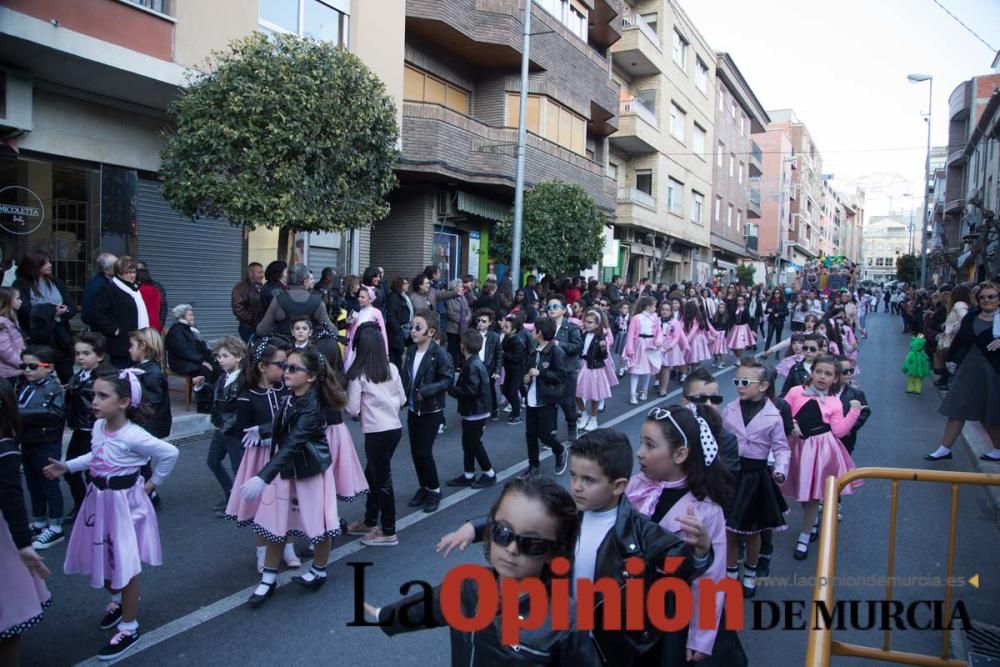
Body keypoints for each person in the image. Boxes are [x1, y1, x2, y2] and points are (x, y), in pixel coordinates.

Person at [436, 430, 713, 666]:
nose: (577, 487)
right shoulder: (566, 512)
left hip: (606, 646)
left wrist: (700, 551)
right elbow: (523, 523)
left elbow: (679, 566)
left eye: (588, 480)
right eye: (574, 476)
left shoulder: (641, 533)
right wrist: (473, 528)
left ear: (618, 486)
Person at [365, 476, 602, 666]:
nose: (511, 549)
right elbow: (425, 607)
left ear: (554, 551)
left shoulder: (566, 621)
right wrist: (383, 615)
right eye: (503, 533)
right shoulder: (468, 586)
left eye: (532, 544)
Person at [42, 370, 179, 660]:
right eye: (94, 394)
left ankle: (130, 627)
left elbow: (169, 453)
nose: (94, 401)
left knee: (124, 566)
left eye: (103, 396)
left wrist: (153, 484)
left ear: (124, 402)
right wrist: (67, 467)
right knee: (100, 558)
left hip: (124, 506)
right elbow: (96, 456)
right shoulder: (99, 427)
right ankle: (118, 600)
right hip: (98, 500)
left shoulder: (134, 435)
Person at [626, 405, 744, 666]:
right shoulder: (635, 487)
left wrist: (700, 637)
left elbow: (710, 579)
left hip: (670, 609)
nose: (640, 453)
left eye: (649, 445)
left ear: (680, 454)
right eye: (641, 443)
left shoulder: (705, 511)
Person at [238, 347, 347, 606]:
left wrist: (263, 477)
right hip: (287, 471)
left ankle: (319, 570)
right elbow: (285, 425)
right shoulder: (290, 395)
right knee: (276, 524)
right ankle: (268, 578)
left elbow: (294, 442)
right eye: (286, 366)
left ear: (310, 377)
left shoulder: (313, 406)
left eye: (293, 368)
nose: (286, 371)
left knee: (319, 525)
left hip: (309, 470)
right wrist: (264, 430)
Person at [223, 340, 300, 572]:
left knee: (288, 502)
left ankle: (288, 547)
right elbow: (241, 432)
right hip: (259, 457)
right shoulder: (247, 396)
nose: (286, 369)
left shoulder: (285, 390)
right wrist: (259, 437)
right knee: (262, 506)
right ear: (262, 367)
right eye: (281, 364)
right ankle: (262, 552)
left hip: (284, 453)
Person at [780, 356, 863, 560]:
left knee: (813, 495)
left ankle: (805, 535)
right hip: (798, 447)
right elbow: (783, 412)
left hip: (821, 450)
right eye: (819, 372)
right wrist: (792, 424)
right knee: (803, 491)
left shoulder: (834, 402)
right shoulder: (796, 391)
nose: (822, 377)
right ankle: (812, 520)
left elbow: (840, 431)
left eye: (828, 374)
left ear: (835, 378)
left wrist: (854, 411)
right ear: (812, 372)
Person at [722, 359, 790, 598]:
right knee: (729, 530)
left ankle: (750, 572)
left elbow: (782, 447)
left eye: (745, 382)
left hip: (756, 477)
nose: (739, 386)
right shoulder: (729, 409)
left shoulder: (774, 414)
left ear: (762, 386)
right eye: (737, 381)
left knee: (752, 531)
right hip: (731, 475)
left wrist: (780, 469)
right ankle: (730, 575)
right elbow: (720, 441)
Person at [0, 376, 52, 666]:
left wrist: (23, 544)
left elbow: (12, 500)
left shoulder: (5, 449)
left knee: (7, 619)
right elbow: (12, 501)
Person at [345, 322, 407, 547]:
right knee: (373, 475)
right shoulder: (392, 368)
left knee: (381, 480)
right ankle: (370, 520)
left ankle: (388, 530)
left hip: (375, 431)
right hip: (394, 428)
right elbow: (402, 400)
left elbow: (352, 409)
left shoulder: (358, 374)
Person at [926, 281, 1000, 462]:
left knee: (989, 412)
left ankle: (998, 449)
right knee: (957, 407)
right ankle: (944, 448)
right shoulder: (971, 316)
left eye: (991, 297)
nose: (987, 300)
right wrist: (951, 359)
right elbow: (960, 340)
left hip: (994, 370)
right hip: (969, 367)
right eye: (982, 297)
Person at [400, 310, 453, 513]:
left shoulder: (439, 354)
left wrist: (427, 390)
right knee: (415, 452)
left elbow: (448, 379)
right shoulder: (412, 351)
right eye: (412, 326)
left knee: (424, 451)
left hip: (431, 410)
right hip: (415, 408)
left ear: (430, 332)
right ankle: (424, 486)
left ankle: (435, 490)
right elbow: (408, 378)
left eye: (418, 327)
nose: (413, 330)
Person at [15, 346, 67, 552]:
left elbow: (55, 414)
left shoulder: (53, 388)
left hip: (47, 442)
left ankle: (55, 525)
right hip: (28, 441)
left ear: (49, 367)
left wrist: (20, 413)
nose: (27, 370)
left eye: (33, 366)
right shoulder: (24, 386)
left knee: (49, 482)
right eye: (23, 366)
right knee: (33, 482)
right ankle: (39, 521)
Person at [196, 336, 246, 517]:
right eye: (218, 356)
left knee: (238, 468)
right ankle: (230, 494)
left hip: (233, 432)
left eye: (225, 356)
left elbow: (241, 410)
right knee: (213, 461)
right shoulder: (223, 377)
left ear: (239, 357)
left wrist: (227, 427)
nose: (220, 360)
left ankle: (240, 505)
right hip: (221, 429)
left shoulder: (243, 381)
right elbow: (217, 398)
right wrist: (202, 387)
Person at [64, 332, 112, 518]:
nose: (80, 358)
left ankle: (98, 508)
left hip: (97, 430)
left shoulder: (105, 378)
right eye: (77, 354)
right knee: (70, 470)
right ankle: (82, 504)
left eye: (86, 353)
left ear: (99, 356)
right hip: (80, 430)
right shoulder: (77, 377)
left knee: (94, 472)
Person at [13, 251, 77, 381]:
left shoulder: (56, 282)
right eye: (45, 263)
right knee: (36, 375)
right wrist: (51, 312)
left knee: (67, 376)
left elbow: (71, 306)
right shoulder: (21, 284)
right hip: (38, 339)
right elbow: (25, 311)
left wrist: (61, 314)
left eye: (49, 262)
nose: (50, 265)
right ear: (34, 265)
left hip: (60, 337)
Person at [445, 330, 497, 488]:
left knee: (474, 443)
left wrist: (451, 389)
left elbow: (470, 391)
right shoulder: (473, 362)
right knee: (468, 443)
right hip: (475, 410)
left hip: (476, 411)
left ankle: (489, 473)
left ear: (463, 346)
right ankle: (469, 474)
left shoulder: (471, 365)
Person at [523, 317, 569, 477]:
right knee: (530, 435)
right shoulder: (535, 349)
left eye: (534, 329)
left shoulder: (556, 351)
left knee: (545, 435)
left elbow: (562, 375)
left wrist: (541, 373)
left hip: (547, 399)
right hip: (532, 398)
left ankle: (560, 450)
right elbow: (529, 370)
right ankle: (533, 467)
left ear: (540, 332)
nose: (531, 332)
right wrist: (526, 378)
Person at [88, 256, 149, 369]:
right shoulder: (110, 289)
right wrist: (114, 329)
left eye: (133, 272)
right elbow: (96, 313)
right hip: (120, 343)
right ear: (119, 273)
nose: (132, 275)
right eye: (127, 272)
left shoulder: (134, 289)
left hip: (136, 340)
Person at [256, 264, 333, 339]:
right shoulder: (317, 301)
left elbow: (262, 330)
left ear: (287, 281)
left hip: (283, 347)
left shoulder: (278, 300)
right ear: (305, 282)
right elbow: (332, 330)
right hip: (310, 347)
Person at [164, 304, 218, 398]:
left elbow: (201, 346)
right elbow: (183, 351)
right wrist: (202, 361)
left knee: (216, 366)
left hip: (192, 359)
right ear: (182, 317)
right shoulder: (176, 331)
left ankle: (217, 396)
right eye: (190, 315)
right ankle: (204, 400)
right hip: (180, 362)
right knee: (205, 370)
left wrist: (213, 356)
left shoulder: (191, 329)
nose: (193, 317)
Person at [575, 309, 611, 432]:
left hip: (594, 367)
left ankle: (593, 418)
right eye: (585, 321)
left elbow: (604, 356)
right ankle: (584, 414)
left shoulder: (600, 338)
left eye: (590, 322)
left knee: (594, 394)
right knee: (576, 392)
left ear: (597, 324)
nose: (586, 324)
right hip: (582, 365)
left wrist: (603, 349)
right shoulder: (582, 335)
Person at [621, 297, 662, 405]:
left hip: (650, 344)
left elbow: (659, 332)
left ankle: (644, 390)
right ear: (648, 307)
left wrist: (658, 340)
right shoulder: (636, 318)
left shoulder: (655, 317)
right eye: (654, 306)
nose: (655, 308)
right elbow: (630, 334)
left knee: (647, 369)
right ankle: (633, 393)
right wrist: (630, 348)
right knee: (636, 369)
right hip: (639, 344)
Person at [934, 284, 970, 389]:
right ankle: (946, 381)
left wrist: (951, 329)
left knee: (949, 361)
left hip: (952, 339)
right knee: (949, 361)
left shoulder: (959, 304)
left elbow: (964, 319)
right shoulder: (964, 304)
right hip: (951, 338)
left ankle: (948, 383)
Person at [344, 285, 387, 370]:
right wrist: (348, 322)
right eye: (359, 296)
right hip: (354, 349)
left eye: (362, 297)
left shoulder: (376, 313)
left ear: (370, 299)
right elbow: (349, 330)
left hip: (369, 349)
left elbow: (383, 333)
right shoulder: (356, 311)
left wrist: (385, 352)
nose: (359, 299)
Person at [835, 355, 870, 456]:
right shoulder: (825, 392)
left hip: (846, 441)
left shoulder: (856, 394)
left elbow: (865, 411)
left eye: (851, 370)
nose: (849, 374)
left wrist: (850, 428)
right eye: (845, 371)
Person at [472, 308, 503, 420]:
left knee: (490, 389)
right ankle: (479, 410)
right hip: (476, 365)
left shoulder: (494, 336)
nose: (480, 323)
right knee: (475, 388)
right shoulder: (473, 335)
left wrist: (497, 370)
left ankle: (494, 409)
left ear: (490, 323)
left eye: (484, 321)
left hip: (488, 366)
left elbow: (498, 354)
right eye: (479, 320)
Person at [501, 312, 529, 426]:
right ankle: (515, 407)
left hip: (517, 370)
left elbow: (517, 357)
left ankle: (517, 414)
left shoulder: (518, 341)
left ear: (514, 330)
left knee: (512, 391)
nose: (504, 328)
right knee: (506, 390)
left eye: (507, 327)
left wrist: (504, 355)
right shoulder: (506, 338)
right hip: (508, 369)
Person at [231, 262, 265, 343]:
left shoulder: (262, 287)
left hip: (260, 326)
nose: (262, 275)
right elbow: (238, 308)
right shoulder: (241, 288)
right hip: (248, 327)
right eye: (259, 272)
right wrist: (253, 319)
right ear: (250, 273)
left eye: (262, 272)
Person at [384, 276, 413, 368]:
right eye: (405, 283)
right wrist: (399, 329)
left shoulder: (402, 297)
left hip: (401, 332)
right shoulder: (394, 297)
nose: (408, 285)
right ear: (399, 285)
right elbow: (391, 316)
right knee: (395, 360)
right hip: (395, 334)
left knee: (398, 359)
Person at [81, 253, 117, 325]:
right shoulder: (97, 286)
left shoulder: (111, 280)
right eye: (115, 265)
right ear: (106, 270)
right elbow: (88, 314)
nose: (119, 267)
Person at [0, 287, 25, 379]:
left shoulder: (10, 319)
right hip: (8, 373)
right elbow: (5, 352)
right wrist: (23, 364)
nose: (21, 301)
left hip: (14, 370)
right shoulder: (2, 324)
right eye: (17, 298)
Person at [135, 263, 167, 333]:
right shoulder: (156, 290)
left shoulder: (138, 291)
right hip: (155, 326)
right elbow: (162, 308)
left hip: (142, 326)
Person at [709, 301, 731, 369]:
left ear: (725, 309)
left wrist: (725, 335)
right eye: (720, 308)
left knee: (720, 349)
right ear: (718, 308)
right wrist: (711, 334)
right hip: (715, 333)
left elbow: (727, 327)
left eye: (723, 308)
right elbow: (712, 326)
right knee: (714, 349)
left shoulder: (726, 317)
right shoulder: (715, 316)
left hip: (722, 333)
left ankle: (722, 362)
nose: (721, 309)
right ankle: (715, 359)